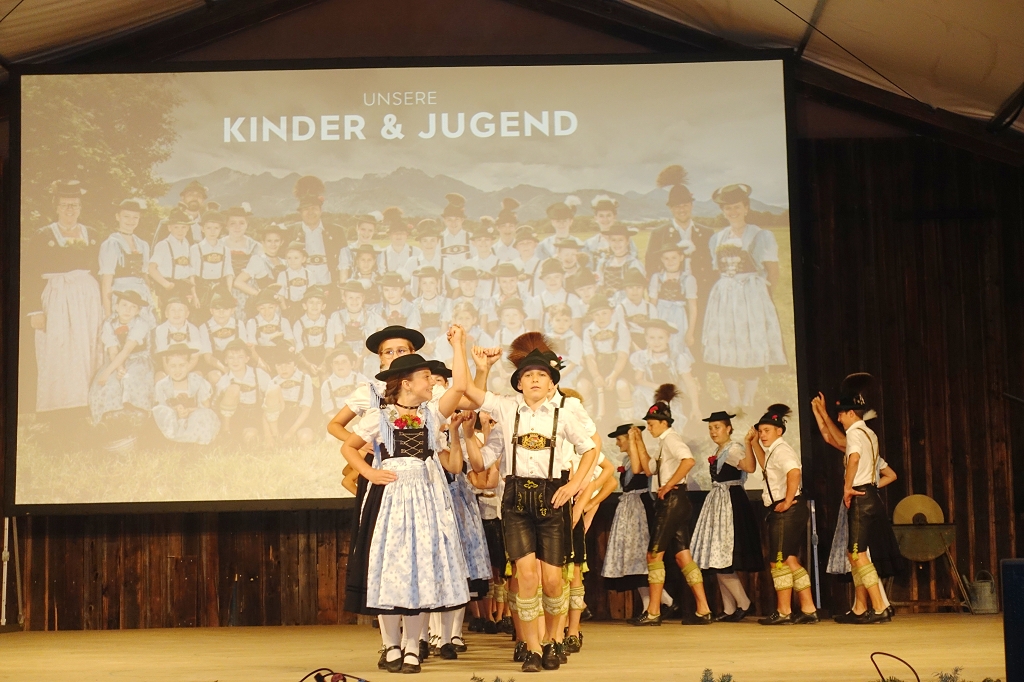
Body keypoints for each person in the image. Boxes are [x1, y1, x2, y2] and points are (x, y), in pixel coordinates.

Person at [460, 333, 599, 672]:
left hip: (553, 498)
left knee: (552, 580)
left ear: (552, 385)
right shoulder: (506, 408)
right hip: (516, 499)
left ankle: (552, 640)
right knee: (525, 576)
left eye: (542, 375)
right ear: (518, 383)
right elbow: (470, 400)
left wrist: (574, 485)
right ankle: (534, 648)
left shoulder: (564, 414)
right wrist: (478, 365)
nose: (535, 380)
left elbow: (590, 450)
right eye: (528, 375)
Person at [341, 331, 470, 674]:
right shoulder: (379, 416)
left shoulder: (432, 414)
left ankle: (413, 645)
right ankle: (391, 645)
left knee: (420, 570)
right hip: (392, 500)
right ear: (406, 384)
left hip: (426, 500)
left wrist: (459, 346)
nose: (431, 382)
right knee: (390, 570)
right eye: (425, 376)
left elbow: (459, 387)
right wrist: (370, 472)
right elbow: (348, 447)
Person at [811, 373, 899, 624]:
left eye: (841, 414)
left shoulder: (856, 434)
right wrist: (820, 413)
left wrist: (848, 488)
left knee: (858, 554)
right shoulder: (867, 433)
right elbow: (831, 438)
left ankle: (880, 607)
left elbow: (854, 459)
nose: (839, 419)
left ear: (851, 413)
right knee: (855, 554)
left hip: (860, 496)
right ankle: (861, 607)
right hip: (869, 495)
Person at [631, 384, 713, 626]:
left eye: (651, 424)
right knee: (683, 557)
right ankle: (704, 609)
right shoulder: (663, 443)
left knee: (654, 554)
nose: (649, 427)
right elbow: (648, 469)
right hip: (678, 502)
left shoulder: (672, 439)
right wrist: (639, 441)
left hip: (673, 501)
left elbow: (688, 460)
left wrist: (668, 485)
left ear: (663, 422)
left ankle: (653, 611)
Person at [703, 183, 786, 410]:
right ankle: (734, 399)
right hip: (725, 296)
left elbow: (773, 271)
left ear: (746, 208)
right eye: (728, 208)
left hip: (752, 293)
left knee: (751, 342)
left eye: (737, 207)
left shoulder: (761, 235)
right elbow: (718, 269)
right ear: (723, 211)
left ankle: (748, 398)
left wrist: (762, 297)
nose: (733, 212)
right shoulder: (717, 238)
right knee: (725, 342)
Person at [24, 180, 103, 414]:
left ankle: (86, 403)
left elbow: (100, 270)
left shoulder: (92, 234)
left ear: (80, 208)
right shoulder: (43, 235)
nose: (70, 209)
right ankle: (59, 407)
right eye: (65, 205)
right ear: (56, 207)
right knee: (59, 348)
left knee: (86, 346)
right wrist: (35, 310)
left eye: (75, 205)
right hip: (57, 298)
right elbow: (29, 273)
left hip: (87, 299)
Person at [746, 403, 819, 625]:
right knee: (789, 559)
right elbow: (765, 466)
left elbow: (794, 472)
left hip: (787, 510)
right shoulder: (773, 451)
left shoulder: (782, 450)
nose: (762, 434)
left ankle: (784, 611)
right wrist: (752, 443)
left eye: (766, 430)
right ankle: (808, 608)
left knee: (777, 562)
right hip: (786, 510)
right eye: (760, 431)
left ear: (779, 431)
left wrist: (787, 500)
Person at [689, 411, 763, 621]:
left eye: (717, 427)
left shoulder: (733, 449)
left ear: (728, 428)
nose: (713, 432)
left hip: (730, 502)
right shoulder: (720, 450)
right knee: (716, 559)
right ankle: (729, 608)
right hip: (718, 502)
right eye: (710, 428)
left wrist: (748, 443)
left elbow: (749, 467)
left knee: (722, 559)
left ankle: (744, 603)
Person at [600, 424, 654, 608]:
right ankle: (651, 604)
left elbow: (638, 470)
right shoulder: (626, 460)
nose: (617, 443)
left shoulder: (641, 459)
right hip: (629, 510)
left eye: (619, 439)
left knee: (640, 557)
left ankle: (660, 602)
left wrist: (634, 440)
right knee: (632, 558)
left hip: (640, 509)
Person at [88, 290, 154, 439]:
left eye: (133, 307)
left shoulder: (140, 324)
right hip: (115, 360)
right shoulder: (109, 324)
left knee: (130, 380)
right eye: (124, 305)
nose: (127, 310)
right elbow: (113, 350)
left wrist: (108, 372)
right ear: (116, 307)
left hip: (137, 359)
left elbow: (127, 350)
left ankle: (135, 420)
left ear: (138, 311)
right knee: (109, 383)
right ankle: (110, 421)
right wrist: (118, 368)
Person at [646, 165, 714, 298]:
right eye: (677, 206)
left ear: (692, 205)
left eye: (685, 205)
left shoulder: (707, 233)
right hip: (670, 297)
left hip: (702, 294)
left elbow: (713, 268)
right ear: (670, 208)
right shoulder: (659, 234)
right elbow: (651, 268)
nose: (682, 210)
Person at [628, 319, 702, 429]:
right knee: (639, 394)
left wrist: (695, 407)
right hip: (651, 391)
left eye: (661, 338)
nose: (656, 342)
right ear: (646, 338)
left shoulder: (677, 358)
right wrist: (656, 386)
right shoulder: (643, 357)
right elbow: (638, 379)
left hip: (670, 394)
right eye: (652, 338)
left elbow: (690, 383)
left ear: (668, 338)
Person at [152, 343, 221, 445]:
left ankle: (196, 440)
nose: (177, 370)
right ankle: (173, 439)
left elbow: (205, 405)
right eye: (173, 366)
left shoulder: (197, 381)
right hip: (174, 418)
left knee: (204, 414)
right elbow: (162, 406)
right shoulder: (162, 385)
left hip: (193, 416)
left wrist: (189, 410)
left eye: (182, 365)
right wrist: (176, 410)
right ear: (167, 366)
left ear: (188, 365)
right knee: (162, 412)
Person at [289, 175, 348, 288]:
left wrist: (342, 288)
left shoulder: (337, 231)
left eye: (314, 208)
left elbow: (344, 263)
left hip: (330, 287)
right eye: (306, 209)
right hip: (300, 289)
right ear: (300, 212)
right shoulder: (290, 232)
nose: (310, 212)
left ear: (321, 210)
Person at [581, 293, 631, 422]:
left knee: (621, 386)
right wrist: (596, 375)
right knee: (582, 385)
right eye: (596, 314)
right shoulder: (588, 331)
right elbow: (589, 356)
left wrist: (614, 375)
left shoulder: (621, 328)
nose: (601, 318)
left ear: (612, 312)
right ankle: (588, 418)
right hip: (597, 365)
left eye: (604, 313)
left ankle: (627, 421)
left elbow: (622, 355)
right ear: (591, 316)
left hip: (617, 366)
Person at [98, 199, 151, 320]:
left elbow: (145, 276)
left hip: (140, 294)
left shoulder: (142, 244)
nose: (131, 221)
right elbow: (106, 282)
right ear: (117, 217)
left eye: (135, 217)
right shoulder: (111, 244)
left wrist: (149, 297)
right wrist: (108, 313)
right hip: (120, 294)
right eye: (126, 216)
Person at [214, 339, 274, 444]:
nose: (235, 361)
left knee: (250, 438)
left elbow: (270, 398)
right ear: (226, 360)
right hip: (233, 417)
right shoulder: (224, 380)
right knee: (233, 389)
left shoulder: (258, 374)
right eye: (231, 358)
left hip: (254, 415)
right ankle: (226, 432)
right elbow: (216, 403)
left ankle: (247, 434)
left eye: (240, 357)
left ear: (247, 359)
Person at [149, 208, 198, 310]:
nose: (180, 231)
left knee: (186, 314)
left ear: (188, 228)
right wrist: (165, 284)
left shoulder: (187, 245)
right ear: (169, 228)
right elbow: (151, 268)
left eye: (184, 227)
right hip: (169, 287)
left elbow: (190, 271)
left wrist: (194, 294)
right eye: (176, 227)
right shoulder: (163, 245)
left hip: (184, 287)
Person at [189, 212, 233, 320]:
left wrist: (228, 293)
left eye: (216, 228)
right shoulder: (195, 249)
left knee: (219, 318)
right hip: (201, 289)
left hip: (220, 289)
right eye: (209, 228)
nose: (212, 231)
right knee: (200, 318)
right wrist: (194, 295)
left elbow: (229, 273)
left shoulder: (225, 250)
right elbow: (191, 275)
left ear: (221, 229)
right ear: (202, 229)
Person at [292, 286, 330, 378]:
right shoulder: (298, 324)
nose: (315, 306)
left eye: (318, 302)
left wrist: (324, 363)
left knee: (325, 375)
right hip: (305, 358)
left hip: (324, 357)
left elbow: (330, 347)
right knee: (305, 376)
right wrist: (308, 365)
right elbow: (298, 349)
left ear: (323, 306)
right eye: (311, 302)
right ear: (304, 305)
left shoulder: (328, 322)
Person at [440, 193, 472, 291]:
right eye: (449, 220)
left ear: (462, 219)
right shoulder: (438, 240)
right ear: (444, 220)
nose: (453, 223)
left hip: (468, 286)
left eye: (457, 219)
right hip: (446, 288)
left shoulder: (471, 238)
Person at [337, 212, 381, 283]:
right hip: (352, 288)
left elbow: (381, 275)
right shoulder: (347, 250)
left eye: (370, 230)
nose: (366, 233)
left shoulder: (377, 251)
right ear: (357, 228)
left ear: (374, 231)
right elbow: (343, 278)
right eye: (363, 229)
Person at [537, 197, 583, 261]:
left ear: (571, 221)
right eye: (558, 221)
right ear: (552, 222)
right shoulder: (544, 244)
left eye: (564, 221)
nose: (561, 224)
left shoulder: (578, 243)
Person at [377, 208, 421, 274]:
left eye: (402, 233)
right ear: (389, 235)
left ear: (407, 235)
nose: (399, 236)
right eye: (395, 233)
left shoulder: (417, 252)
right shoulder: (381, 254)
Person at [276, 241, 312, 316]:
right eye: (289, 258)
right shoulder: (283, 275)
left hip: (305, 308)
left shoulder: (309, 274)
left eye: (296, 258)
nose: (292, 261)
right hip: (289, 307)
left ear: (303, 259)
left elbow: (312, 294)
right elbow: (280, 295)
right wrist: (285, 310)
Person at [493, 198, 522, 263]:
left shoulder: (523, 249)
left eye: (511, 226)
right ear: (498, 228)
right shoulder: (491, 250)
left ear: (515, 227)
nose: (507, 229)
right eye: (503, 226)